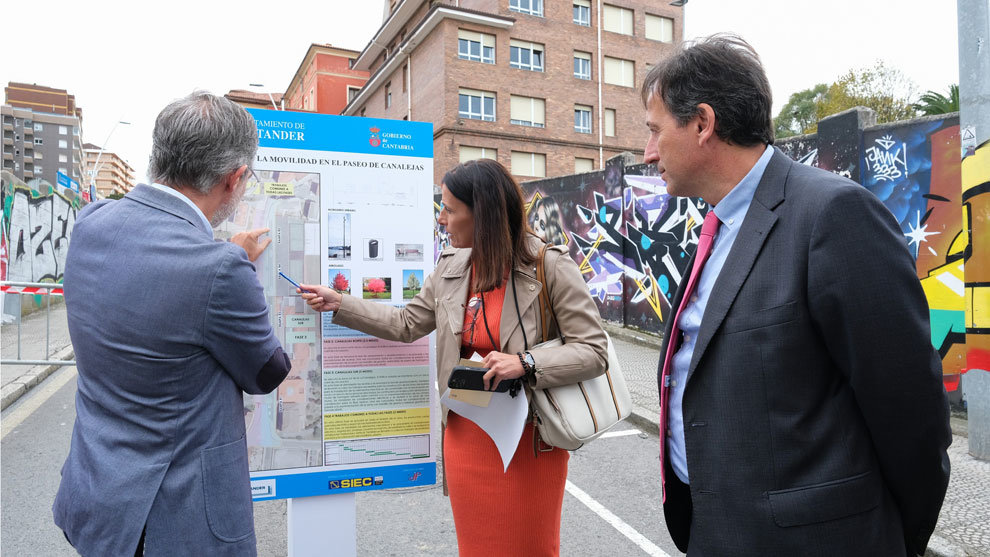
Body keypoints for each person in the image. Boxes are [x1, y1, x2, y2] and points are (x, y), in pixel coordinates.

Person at [644, 35, 950, 556]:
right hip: (714, 533)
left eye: (654, 131)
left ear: (702, 123)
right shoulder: (716, 225)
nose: (647, 152)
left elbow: (909, 411)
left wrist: (898, 539)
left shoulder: (833, 215)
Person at [299, 159, 607, 556]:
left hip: (527, 443)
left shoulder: (547, 266)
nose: (441, 219)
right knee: (477, 547)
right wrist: (340, 303)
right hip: (465, 436)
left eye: (449, 209)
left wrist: (526, 363)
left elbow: (593, 350)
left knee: (530, 547)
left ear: (482, 214)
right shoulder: (451, 267)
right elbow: (406, 323)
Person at [53, 91, 291, 556]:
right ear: (234, 178)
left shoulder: (91, 222)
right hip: (173, 523)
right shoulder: (219, 269)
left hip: (97, 500)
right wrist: (236, 268)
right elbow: (268, 372)